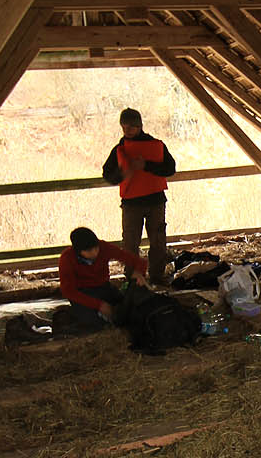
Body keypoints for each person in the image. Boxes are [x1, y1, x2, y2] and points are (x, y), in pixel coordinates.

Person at [102, 107, 176, 284]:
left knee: (158, 241)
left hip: (155, 201)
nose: (127, 131)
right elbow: (107, 175)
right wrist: (123, 173)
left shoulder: (157, 145)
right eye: (124, 127)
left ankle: (157, 276)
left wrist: (146, 166)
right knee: (130, 243)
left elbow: (170, 169)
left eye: (131, 127)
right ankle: (133, 278)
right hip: (131, 204)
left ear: (140, 126)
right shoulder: (120, 149)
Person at [58, 226, 147, 328]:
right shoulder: (67, 258)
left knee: (129, 311)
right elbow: (68, 291)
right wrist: (98, 305)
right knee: (92, 323)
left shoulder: (104, 247)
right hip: (82, 294)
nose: (95, 253)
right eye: (89, 251)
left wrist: (139, 273)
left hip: (104, 288)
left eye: (96, 248)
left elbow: (138, 261)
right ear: (78, 251)